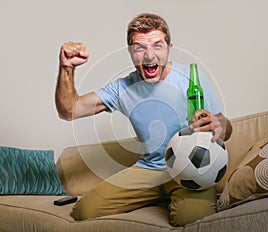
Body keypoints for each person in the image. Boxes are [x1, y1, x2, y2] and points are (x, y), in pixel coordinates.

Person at [55, 13, 232, 227]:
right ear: (130, 52)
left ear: (169, 47)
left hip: (190, 170)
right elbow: (69, 110)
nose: (149, 56)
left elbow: (225, 126)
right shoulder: (122, 88)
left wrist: (220, 124)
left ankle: (175, 197)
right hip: (150, 169)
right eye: (140, 48)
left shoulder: (191, 77)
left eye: (157, 46)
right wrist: (67, 68)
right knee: (84, 210)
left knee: (190, 219)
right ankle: (158, 196)